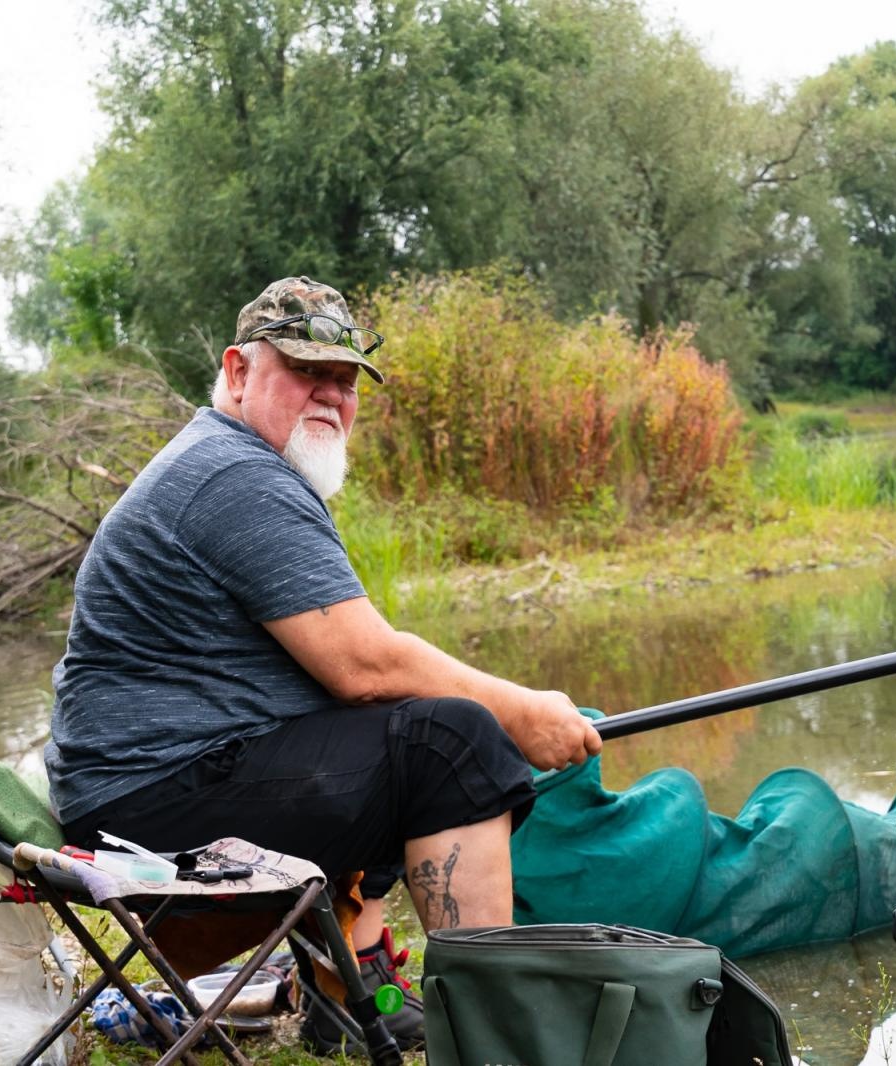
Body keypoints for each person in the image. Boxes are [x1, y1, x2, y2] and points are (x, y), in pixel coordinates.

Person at [45, 276, 601, 1051]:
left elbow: (357, 686)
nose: (331, 397)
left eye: (345, 382)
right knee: (452, 743)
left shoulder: (235, 464)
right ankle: (491, 1033)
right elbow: (365, 663)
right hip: (148, 805)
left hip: (142, 790)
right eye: (308, 372)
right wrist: (523, 712)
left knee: (395, 732)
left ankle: (347, 994)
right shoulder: (234, 474)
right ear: (238, 372)